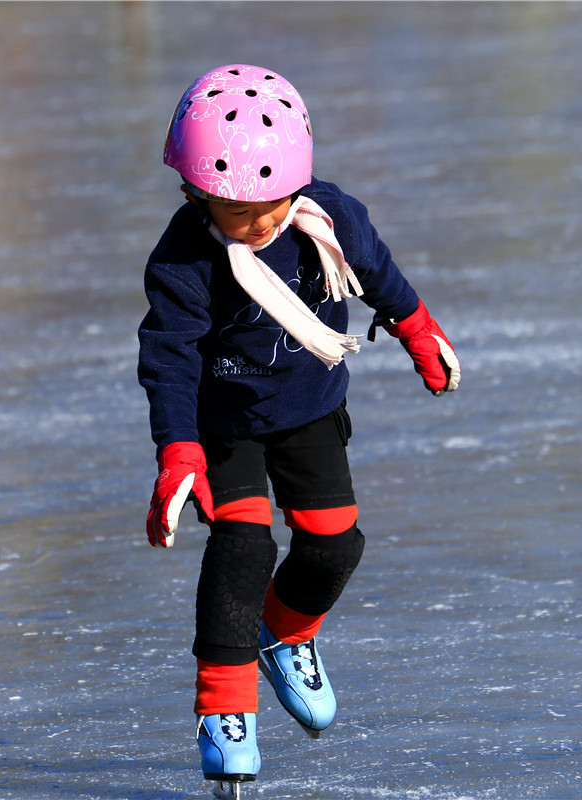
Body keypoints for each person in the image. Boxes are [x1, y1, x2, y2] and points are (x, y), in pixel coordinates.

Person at [137, 64, 459, 790]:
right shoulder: (185, 261)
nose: (255, 223)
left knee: (334, 546)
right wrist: (178, 451)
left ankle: (283, 635)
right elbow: (169, 360)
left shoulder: (329, 219)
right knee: (244, 545)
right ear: (195, 192)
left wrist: (416, 326)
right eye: (232, 208)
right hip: (225, 427)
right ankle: (225, 710)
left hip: (310, 410)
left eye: (270, 204)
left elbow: (377, 272)